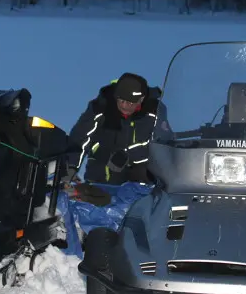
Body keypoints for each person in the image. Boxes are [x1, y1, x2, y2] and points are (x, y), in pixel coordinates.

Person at [55, 73, 164, 256]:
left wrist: (129, 155)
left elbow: (161, 143)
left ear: (142, 99)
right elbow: (79, 138)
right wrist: (70, 168)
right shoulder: (101, 107)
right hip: (101, 175)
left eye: (131, 103)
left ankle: (137, 250)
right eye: (121, 101)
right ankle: (90, 247)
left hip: (139, 178)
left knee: (136, 210)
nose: (125, 106)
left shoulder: (155, 111)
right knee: (92, 205)